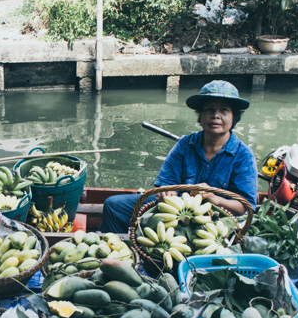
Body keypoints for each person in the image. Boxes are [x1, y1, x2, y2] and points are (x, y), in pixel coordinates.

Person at [101, 80, 258, 234]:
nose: (215, 116)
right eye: (209, 109)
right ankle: (123, 249)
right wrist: (166, 193)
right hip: (177, 211)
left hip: (218, 218)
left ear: (234, 117)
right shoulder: (185, 144)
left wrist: (214, 199)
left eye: (224, 110)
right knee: (113, 205)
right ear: (201, 116)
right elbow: (166, 183)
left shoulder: (243, 155)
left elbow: (245, 206)